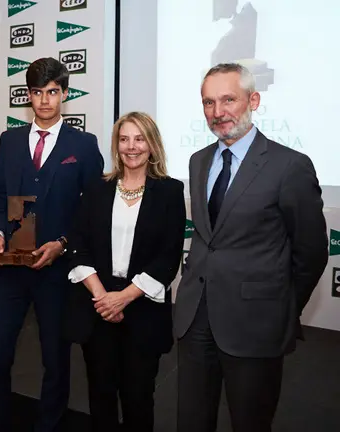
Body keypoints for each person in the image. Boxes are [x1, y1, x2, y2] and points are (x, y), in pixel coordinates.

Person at [174, 63, 328, 432]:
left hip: (256, 325)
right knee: (191, 421)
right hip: (196, 319)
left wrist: (279, 308)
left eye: (228, 99)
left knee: (250, 422)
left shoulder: (289, 165)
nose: (218, 112)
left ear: (253, 100)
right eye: (208, 102)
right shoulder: (198, 161)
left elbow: (310, 253)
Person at [0, 57, 104, 431]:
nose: (45, 100)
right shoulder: (9, 141)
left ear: (64, 93)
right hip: (10, 269)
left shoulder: (83, 145)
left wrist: (63, 244)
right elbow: (1, 197)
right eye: (37, 92)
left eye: (52, 92)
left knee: (55, 360)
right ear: (28, 96)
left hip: (57, 271)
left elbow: (93, 210)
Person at [64, 112, 185, 432]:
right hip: (98, 306)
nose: (132, 147)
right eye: (124, 139)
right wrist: (103, 297)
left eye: (139, 139)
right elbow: (78, 244)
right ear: (116, 145)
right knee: (100, 396)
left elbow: (168, 256)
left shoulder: (171, 191)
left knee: (138, 398)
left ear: (152, 144)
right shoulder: (96, 188)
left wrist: (124, 298)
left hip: (143, 308)